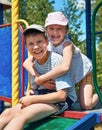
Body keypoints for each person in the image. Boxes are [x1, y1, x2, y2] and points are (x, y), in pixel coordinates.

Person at [0, 24, 77, 130]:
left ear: (47, 42)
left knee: (21, 116)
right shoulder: (34, 64)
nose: (36, 46)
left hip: (60, 101)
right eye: (31, 44)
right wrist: (31, 92)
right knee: (7, 113)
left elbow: (61, 96)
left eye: (39, 42)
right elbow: (34, 87)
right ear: (27, 47)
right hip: (43, 95)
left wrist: (33, 99)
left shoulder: (56, 60)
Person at [23, 11, 99, 110]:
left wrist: (41, 79)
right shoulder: (46, 44)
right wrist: (38, 78)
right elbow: (27, 63)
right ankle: (80, 94)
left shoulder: (67, 45)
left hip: (83, 72)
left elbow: (65, 67)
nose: (55, 32)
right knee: (72, 95)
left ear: (66, 31)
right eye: (51, 28)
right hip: (70, 75)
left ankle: (100, 91)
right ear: (46, 31)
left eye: (59, 29)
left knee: (87, 105)